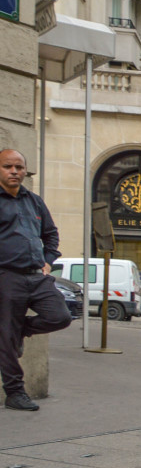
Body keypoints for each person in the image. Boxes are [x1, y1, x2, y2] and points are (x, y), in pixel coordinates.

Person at [0, 148, 72, 411]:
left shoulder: (34, 201)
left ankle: (20, 329)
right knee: (5, 340)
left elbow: (51, 235)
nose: (15, 172)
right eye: (8, 167)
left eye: (19, 167)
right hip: (7, 277)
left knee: (61, 316)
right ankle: (15, 393)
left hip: (36, 276)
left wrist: (48, 260)